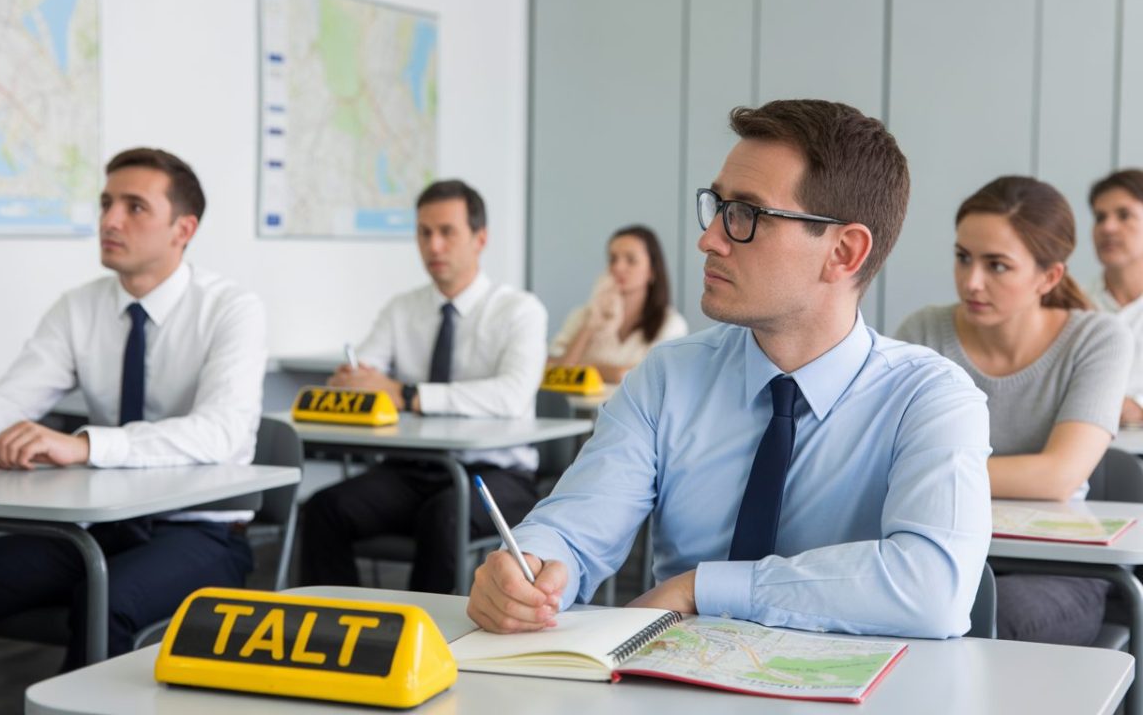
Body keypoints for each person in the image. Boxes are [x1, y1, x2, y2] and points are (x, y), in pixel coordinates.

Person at [468, 99, 992, 638]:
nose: (709, 238)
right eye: (717, 206)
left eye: (746, 215)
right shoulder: (669, 378)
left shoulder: (932, 398)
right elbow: (575, 531)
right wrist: (528, 567)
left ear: (844, 252)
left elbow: (932, 591)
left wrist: (700, 589)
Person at [0, 148, 267, 712]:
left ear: (182, 230)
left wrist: (86, 443)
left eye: (134, 207)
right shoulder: (80, 307)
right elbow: (16, 396)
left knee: (103, 599)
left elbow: (221, 432)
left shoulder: (232, 308)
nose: (109, 220)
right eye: (106, 203)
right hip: (98, 527)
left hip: (199, 533)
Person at [897, 175, 1131, 645]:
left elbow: (1057, 476)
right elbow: (880, 459)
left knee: (984, 623)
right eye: (963, 258)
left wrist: (931, 471)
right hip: (936, 546)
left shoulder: (1098, 339)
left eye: (997, 266)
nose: (972, 281)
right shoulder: (924, 329)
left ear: (1049, 277)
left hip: (1058, 565)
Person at [300, 179, 547, 593]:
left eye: (447, 232)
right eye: (424, 232)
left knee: (445, 515)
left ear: (479, 238)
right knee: (324, 508)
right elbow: (366, 375)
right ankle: (332, 632)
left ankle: (420, 640)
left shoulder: (518, 310)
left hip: (495, 472)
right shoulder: (403, 309)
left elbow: (511, 395)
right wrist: (356, 380)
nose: (433, 246)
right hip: (413, 469)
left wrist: (409, 395)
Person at [548, 225, 687, 383]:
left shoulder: (670, 324)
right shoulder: (582, 316)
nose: (618, 267)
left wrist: (583, 368)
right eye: (613, 259)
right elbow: (555, 370)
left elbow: (651, 378)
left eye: (631, 260)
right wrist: (589, 327)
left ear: (652, 270)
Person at [1085, 169, 1143, 425]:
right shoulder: (1072, 307)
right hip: (1081, 453)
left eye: (1124, 215)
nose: (1108, 227)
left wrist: (1138, 408)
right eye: (1100, 217)